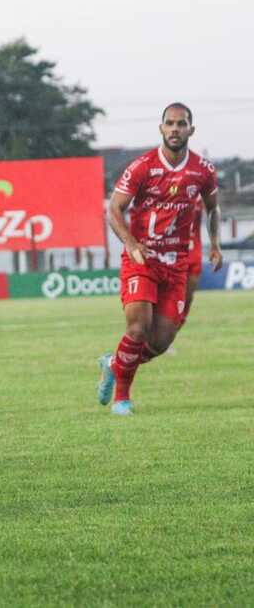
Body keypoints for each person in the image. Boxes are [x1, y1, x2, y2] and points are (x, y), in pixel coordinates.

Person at [97, 103, 222, 415]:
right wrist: (131, 243)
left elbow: (213, 209)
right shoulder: (142, 166)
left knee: (160, 342)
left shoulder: (203, 170)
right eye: (170, 123)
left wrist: (215, 244)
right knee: (138, 328)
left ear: (191, 129)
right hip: (142, 261)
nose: (175, 129)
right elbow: (114, 209)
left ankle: (113, 364)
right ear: (161, 128)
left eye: (181, 124)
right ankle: (122, 399)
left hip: (176, 265)